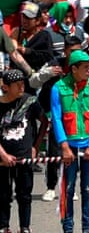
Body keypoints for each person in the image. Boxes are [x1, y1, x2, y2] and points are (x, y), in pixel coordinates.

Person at [50, 49, 89, 233]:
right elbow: (56, 118)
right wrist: (64, 146)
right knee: (68, 191)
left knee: (88, 190)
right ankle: (68, 229)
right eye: (86, 67)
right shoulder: (58, 88)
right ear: (74, 69)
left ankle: (87, 230)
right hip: (69, 148)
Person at [0, 67, 43, 233]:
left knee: (24, 194)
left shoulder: (30, 102)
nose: (21, 87)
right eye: (17, 85)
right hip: (2, 159)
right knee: (3, 195)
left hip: (24, 156)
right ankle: (4, 226)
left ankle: (25, 227)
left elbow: (44, 123)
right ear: (6, 87)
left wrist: (35, 147)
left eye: (22, 84)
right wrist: (3, 154)